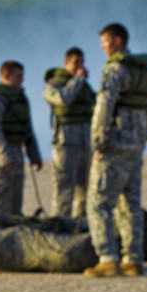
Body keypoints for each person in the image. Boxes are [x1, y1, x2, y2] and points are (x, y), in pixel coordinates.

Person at [83, 23, 147, 278]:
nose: (102, 47)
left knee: (98, 202)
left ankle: (107, 258)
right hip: (136, 144)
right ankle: (133, 258)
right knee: (131, 203)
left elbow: (104, 104)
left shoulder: (114, 69)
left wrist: (98, 141)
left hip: (114, 143)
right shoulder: (145, 72)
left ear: (116, 42)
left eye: (104, 42)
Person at [0, 61, 42, 219]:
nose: (22, 80)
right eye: (18, 76)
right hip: (0, 156)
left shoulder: (20, 98)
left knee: (15, 203)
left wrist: (34, 156)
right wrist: (4, 157)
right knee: (0, 200)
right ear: (6, 76)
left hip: (17, 153)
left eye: (22, 76)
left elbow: (28, 129)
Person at [42, 47, 94, 219]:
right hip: (66, 143)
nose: (80, 67)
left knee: (86, 189)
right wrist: (78, 79)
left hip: (86, 142)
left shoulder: (85, 87)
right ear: (66, 63)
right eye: (75, 63)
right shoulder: (54, 84)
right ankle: (60, 225)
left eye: (82, 62)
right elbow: (63, 98)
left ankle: (81, 226)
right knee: (64, 188)